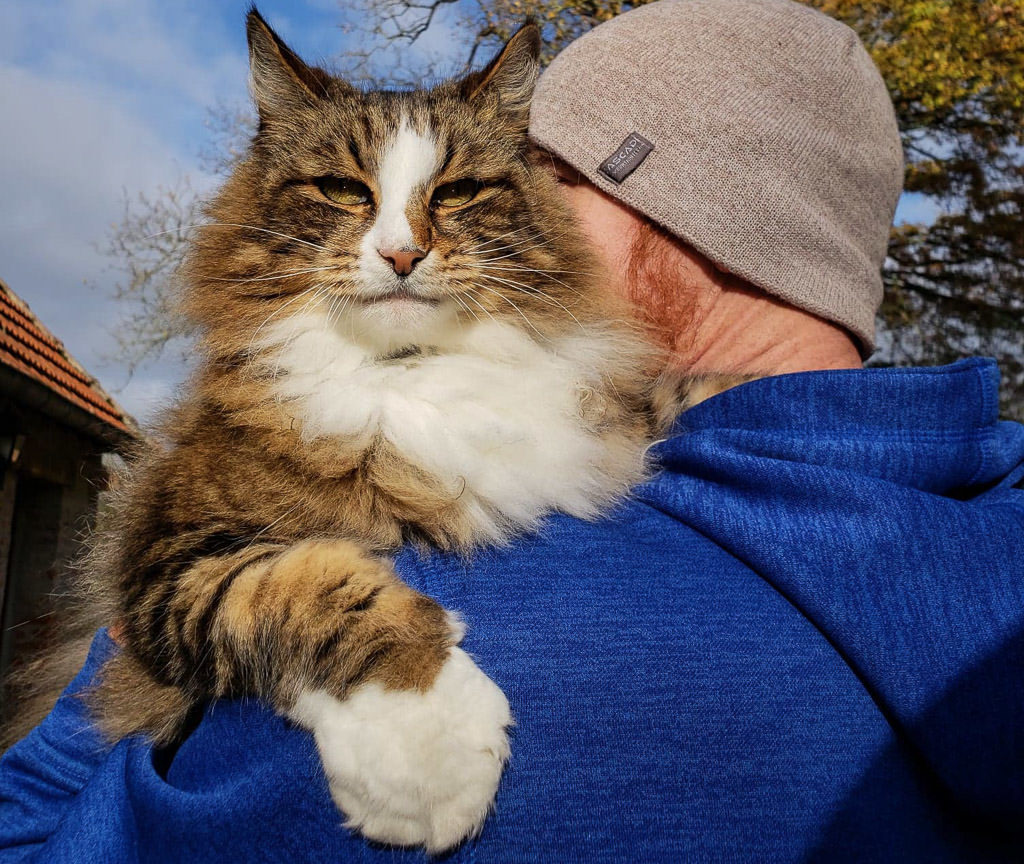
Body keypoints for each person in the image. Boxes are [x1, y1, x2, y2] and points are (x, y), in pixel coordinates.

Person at [2, 0, 1023, 861]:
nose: (422, 241)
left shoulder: (442, 632)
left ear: (667, 216)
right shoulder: (980, 533)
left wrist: (95, 687)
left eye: (549, 178)